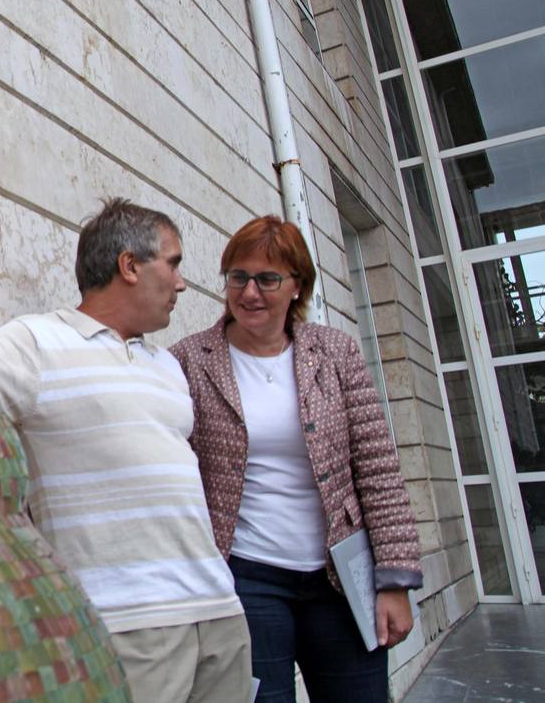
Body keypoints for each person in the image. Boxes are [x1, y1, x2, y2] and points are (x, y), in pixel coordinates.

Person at [0, 198, 253, 703]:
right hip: (124, 624)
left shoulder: (168, 367)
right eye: (174, 263)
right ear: (129, 265)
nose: (182, 283)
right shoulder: (34, 343)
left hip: (219, 613)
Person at [170, 215, 421, 702]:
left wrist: (395, 581)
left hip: (339, 580)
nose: (249, 293)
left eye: (267, 279)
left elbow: (377, 467)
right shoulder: (189, 361)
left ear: (297, 285)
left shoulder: (335, 354)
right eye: (238, 277)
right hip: (247, 578)